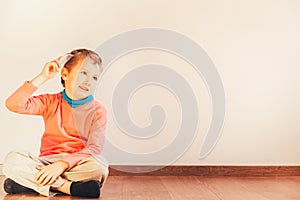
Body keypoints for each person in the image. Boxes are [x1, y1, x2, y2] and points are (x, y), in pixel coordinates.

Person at [3, 48, 108, 198]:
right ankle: (66, 187)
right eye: (83, 73)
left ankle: (30, 184)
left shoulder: (98, 111)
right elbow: (13, 104)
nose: (88, 81)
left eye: (94, 77)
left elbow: (94, 148)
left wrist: (62, 165)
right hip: (46, 162)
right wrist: (42, 77)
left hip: (77, 163)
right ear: (65, 74)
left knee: (100, 166)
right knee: (11, 160)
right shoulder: (50, 102)